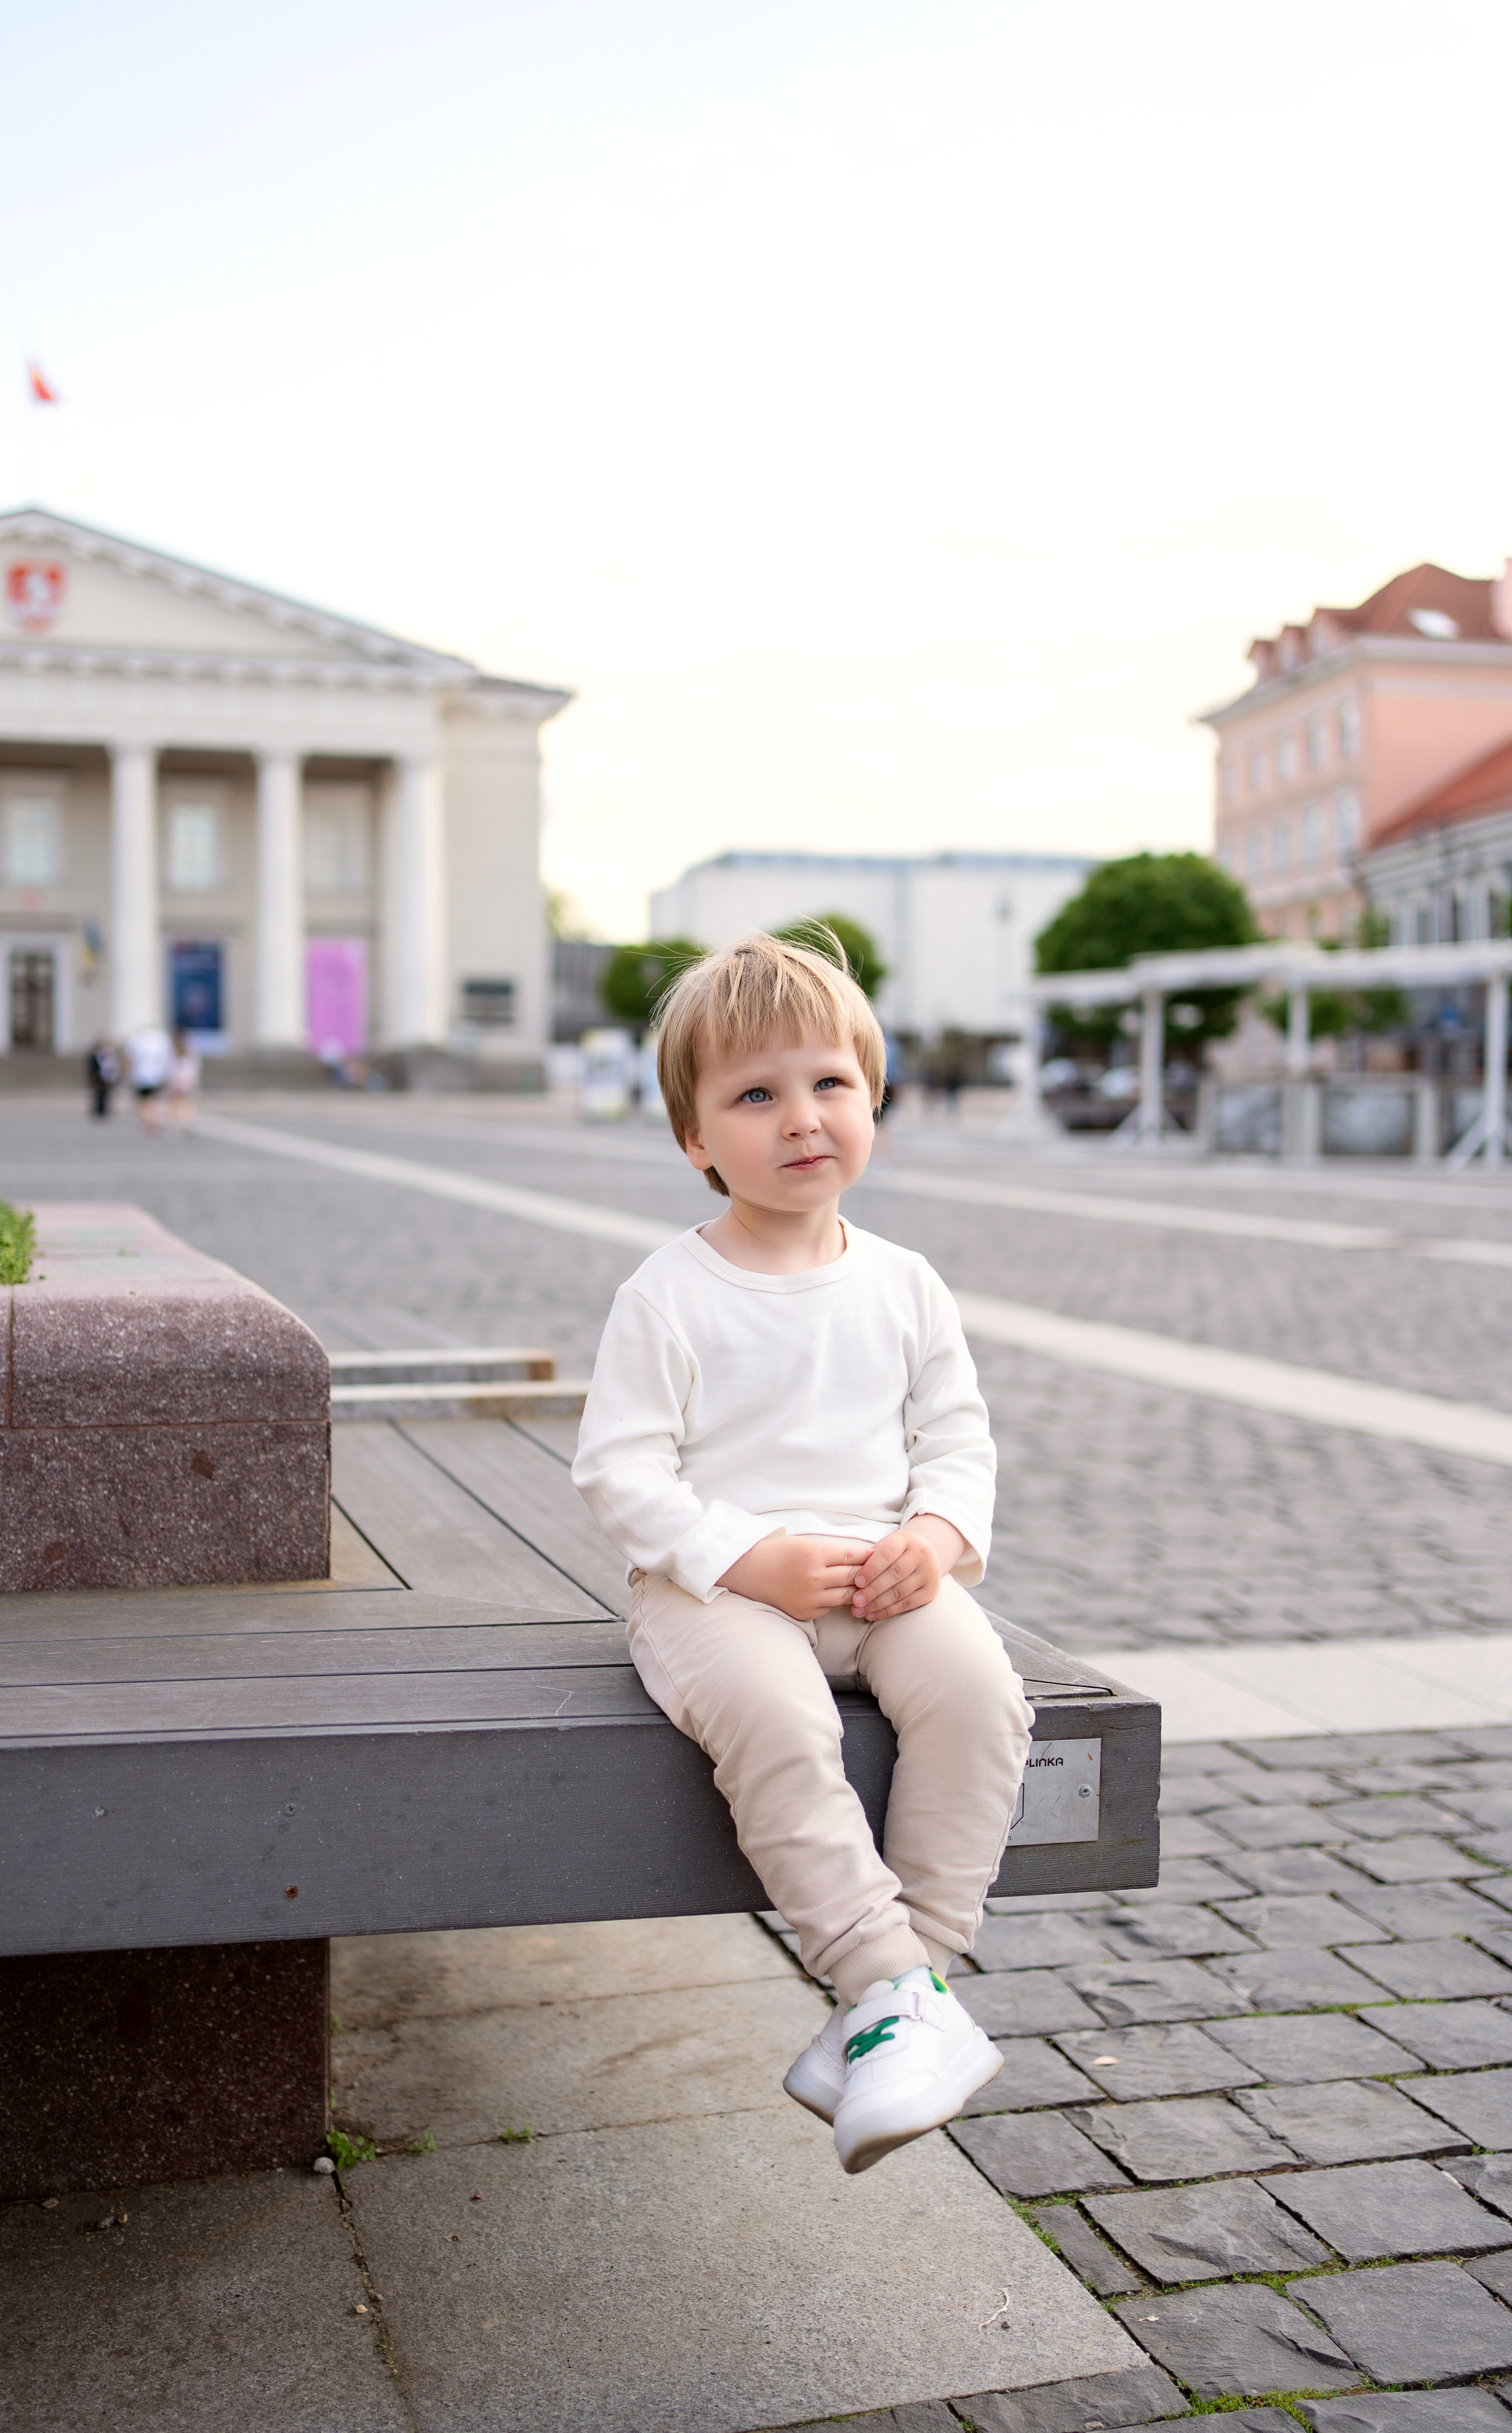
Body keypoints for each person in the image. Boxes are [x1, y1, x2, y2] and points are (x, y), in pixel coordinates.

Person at [572, 931, 1032, 2175]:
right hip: (714, 1595)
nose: (801, 1118)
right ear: (694, 1140)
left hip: (881, 1579)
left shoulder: (904, 1284)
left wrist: (933, 1539)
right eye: (755, 1095)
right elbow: (621, 1472)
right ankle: (885, 1985)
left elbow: (957, 1440)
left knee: (983, 1695)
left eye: (829, 1083)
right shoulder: (671, 1293)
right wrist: (747, 1558)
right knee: (782, 1721)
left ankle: (908, 1990)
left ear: (872, 1098)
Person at [124, 1023, 173, 1134]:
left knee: (144, 1101)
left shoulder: (136, 1039)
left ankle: (148, 1120)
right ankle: (152, 1119)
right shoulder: (161, 1039)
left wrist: (128, 1074)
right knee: (153, 1100)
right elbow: (168, 1059)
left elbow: (129, 1059)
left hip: (141, 1076)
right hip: (156, 1076)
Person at [166, 1031, 201, 1128]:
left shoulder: (174, 1051)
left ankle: (180, 1120)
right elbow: (194, 1066)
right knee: (185, 1101)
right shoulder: (190, 1050)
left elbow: (170, 1067)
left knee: (177, 1102)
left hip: (177, 1079)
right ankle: (187, 1119)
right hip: (187, 1079)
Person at [86, 1038, 120, 1120]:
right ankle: (99, 1110)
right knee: (99, 1094)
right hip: (100, 1076)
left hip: (106, 1077)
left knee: (105, 1094)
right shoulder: (96, 1055)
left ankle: (103, 1110)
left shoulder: (107, 1054)